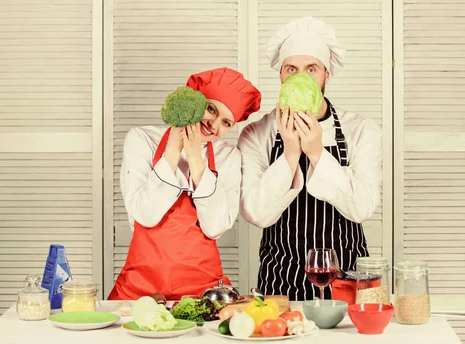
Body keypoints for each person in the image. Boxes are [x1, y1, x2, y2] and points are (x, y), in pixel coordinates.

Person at [237, 17, 382, 301]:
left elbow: (362, 208)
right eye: (292, 69)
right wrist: (291, 154)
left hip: (346, 281)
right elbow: (257, 213)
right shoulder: (256, 133)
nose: (300, 78)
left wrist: (316, 152)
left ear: (327, 75)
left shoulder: (360, 129)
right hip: (280, 281)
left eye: (311, 69)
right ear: (281, 75)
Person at [109, 67, 261, 300]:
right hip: (139, 292)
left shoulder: (228, 156)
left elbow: (215, 227)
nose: (213, 124)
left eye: (226, 122)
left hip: (204, 293)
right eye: (211, 109)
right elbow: (146, 215)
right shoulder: (142, 139)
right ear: (195, 100)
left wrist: (196, 160)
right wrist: (173, 149)